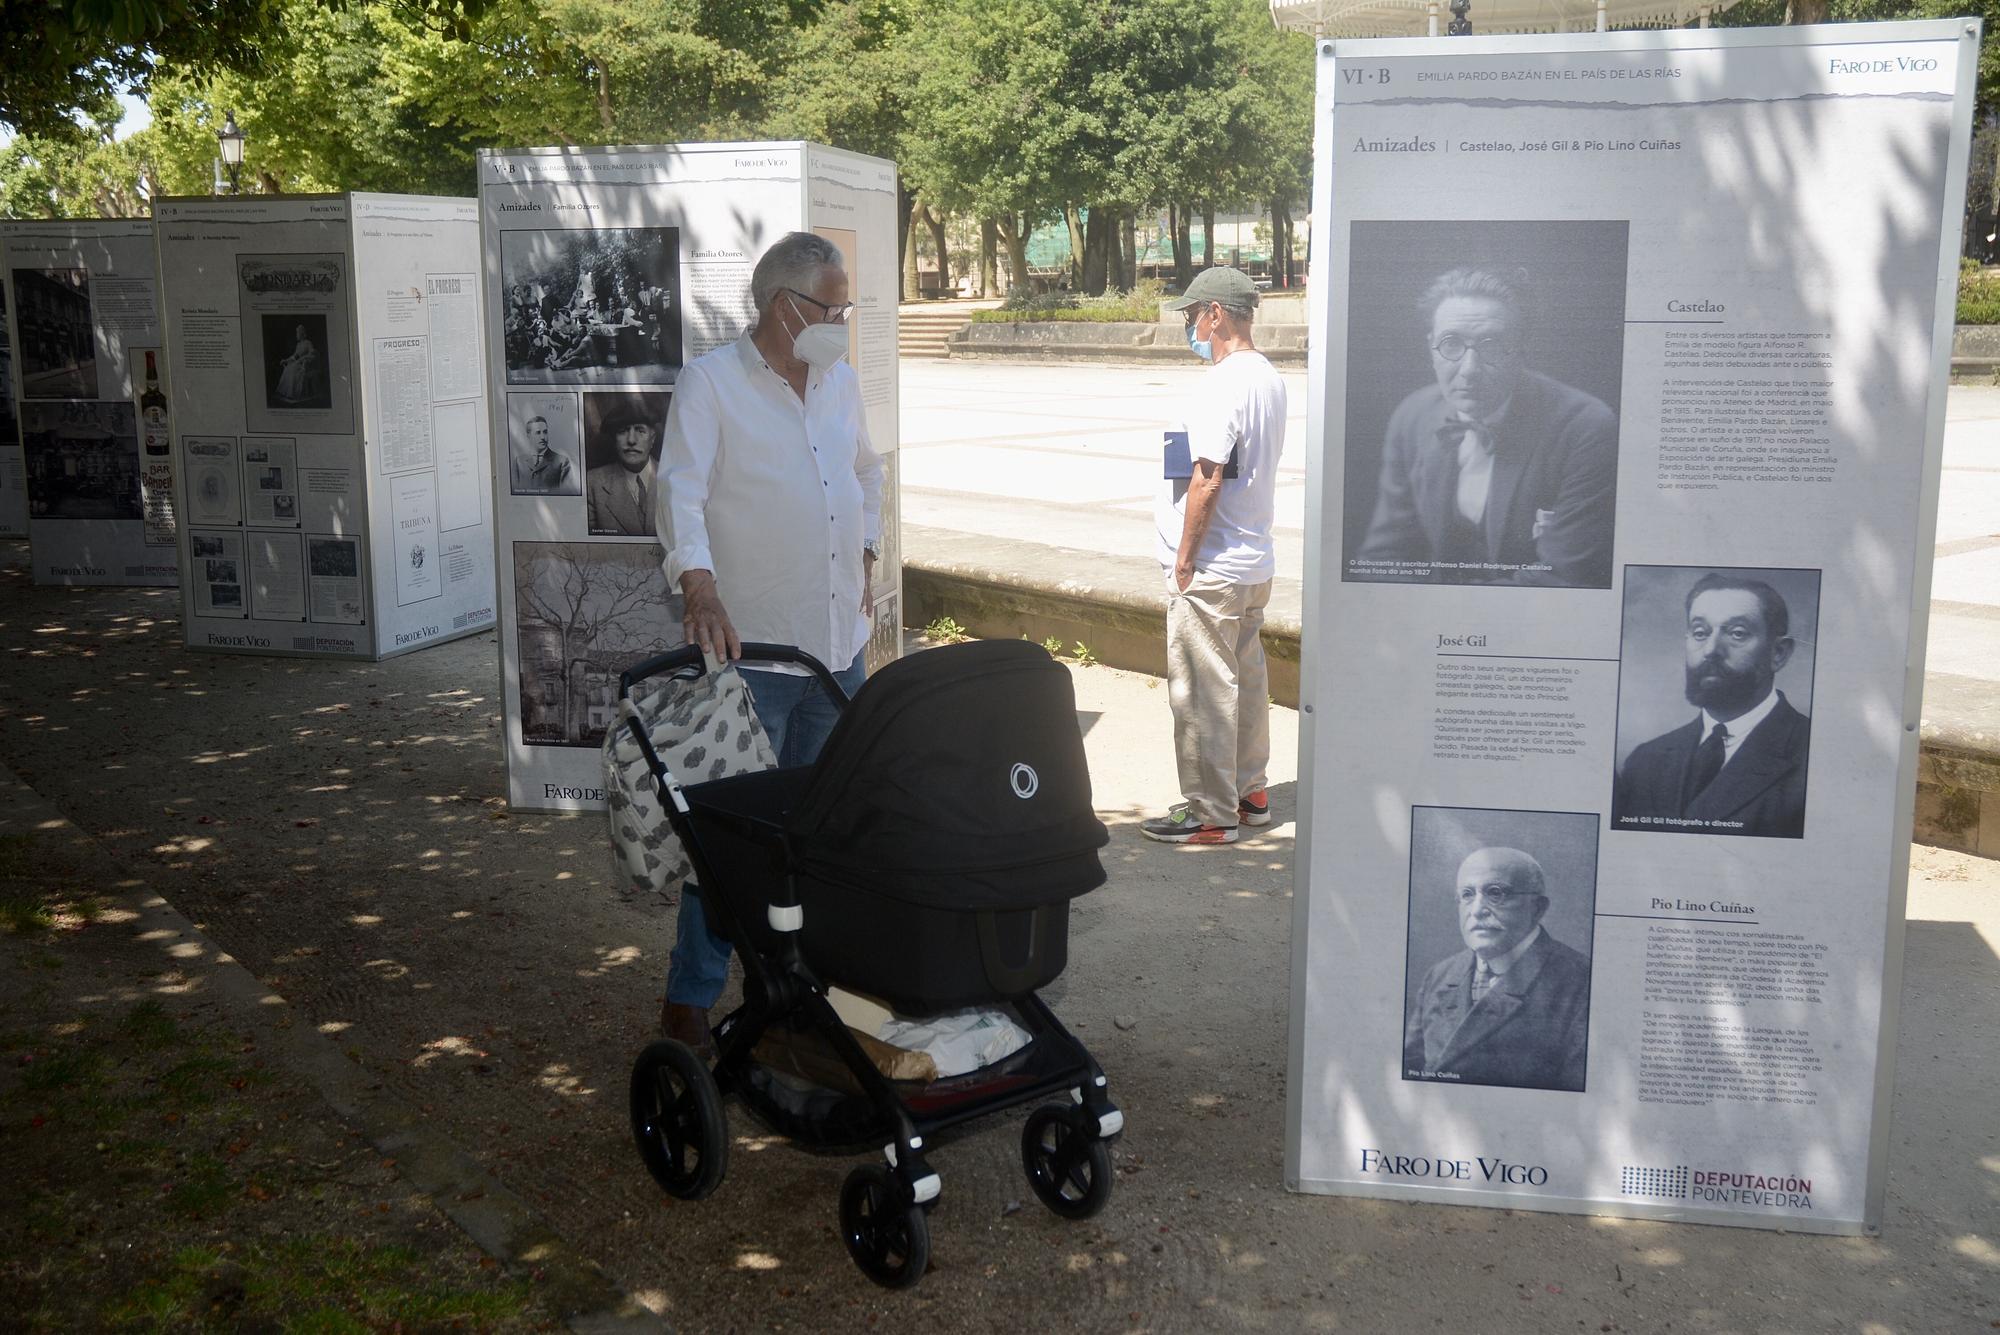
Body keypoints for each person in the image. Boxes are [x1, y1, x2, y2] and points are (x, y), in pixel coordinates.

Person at [654, 231, 883, 1052]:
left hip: (836, 653)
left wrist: (865, 548)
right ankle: (691, 995)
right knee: (733, 838)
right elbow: (678, 493)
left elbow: (865, 473)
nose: (842, 319)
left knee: (820, 832)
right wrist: (700, 584)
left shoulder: (840, 382)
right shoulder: (711, 385)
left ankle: (793, 981)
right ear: (787, 307)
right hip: (753, 659)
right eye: (832, 305)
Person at [1141, 267, 1288, 846]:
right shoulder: (1268, 377)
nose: (1189, 326)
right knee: (1246, 681)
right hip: (1253, 561)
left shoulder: (1222, 383)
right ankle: (1251, 794)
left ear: (1216, 315)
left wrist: (1184, 560)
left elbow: (1207, 477)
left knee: (1203, 690)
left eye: (1191, 315)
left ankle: (1210, 813)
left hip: (1214, 566)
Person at [1353, 266, 1617, 588]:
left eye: (1491, 346)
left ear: (1521, 349)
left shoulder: (1585, 428)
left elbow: (1563, 576)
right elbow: (1382, 558)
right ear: (1430, 346)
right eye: (1451, 344)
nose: (1470, 370)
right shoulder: (1413, 416)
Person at [1612, 574, 1811, 838]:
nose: (1711, 649)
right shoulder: (1645, 762)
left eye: (1737, 633)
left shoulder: (1813, 756)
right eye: (1700, 633)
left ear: (1778, 653)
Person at [1403, 847, 1591, 1092]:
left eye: (1496, 893)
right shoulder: (1440, 976)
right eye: (1467, 895)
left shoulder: (1581, 982)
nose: (1477, 910)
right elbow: (1409, 1072)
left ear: (1537, 908)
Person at [585, 404, 657, 534]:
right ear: (614, 439)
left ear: (652, 438)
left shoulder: (675, 479)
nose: (631, 440)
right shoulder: (592, 483)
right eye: (623, 431)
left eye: (640, 431)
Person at [510, 414, 577, 495]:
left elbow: (567, 494)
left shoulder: (562, 462)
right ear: (528, 436)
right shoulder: (519, 462)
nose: (542, 437)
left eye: (545, 432)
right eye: (538, 433)